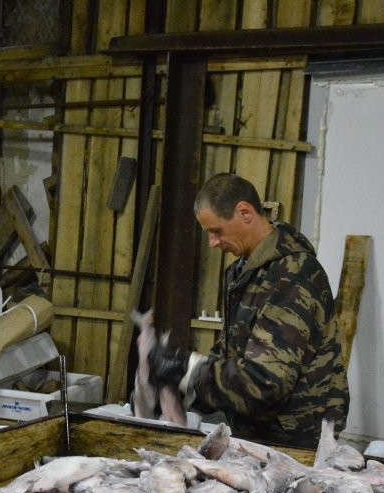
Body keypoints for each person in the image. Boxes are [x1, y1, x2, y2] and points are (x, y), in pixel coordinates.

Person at [149, 173, 349, 447]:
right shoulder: (243, 272)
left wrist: (189, 372)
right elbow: (232, 349)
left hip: (295, 439)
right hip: (257, 431)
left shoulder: (293, 276)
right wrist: (188, 383)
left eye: (216, 231)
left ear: (244, 212)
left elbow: (265, 381)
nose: (213, 243)